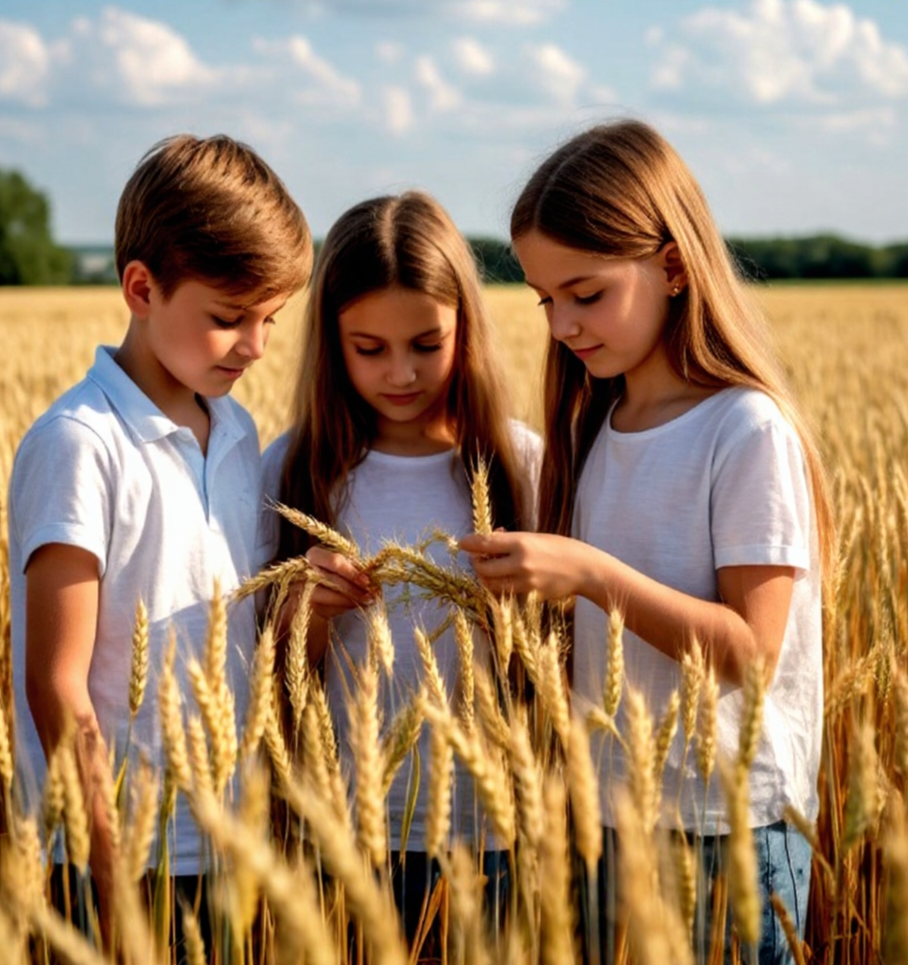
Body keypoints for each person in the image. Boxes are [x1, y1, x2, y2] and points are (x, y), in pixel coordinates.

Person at [459, 119, 834, 964]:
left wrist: (591, 573)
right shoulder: (598, 423)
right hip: (610, 814)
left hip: (726, 828)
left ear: (671, 267)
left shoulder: (744, 431)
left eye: (586, 294)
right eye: (546, 300)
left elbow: (750, 653)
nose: (562, 324)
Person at [8, 133, 313, 951]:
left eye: (269, 319)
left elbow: (236, 621)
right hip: (109, 853)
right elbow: (56, 682)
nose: (255, 345)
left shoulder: (239, 432)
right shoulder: (80, 442)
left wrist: (305, 591)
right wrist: (110, 869)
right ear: (141, 288)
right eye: (228, 318)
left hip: (224, 836)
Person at [260, 191, 541, 953]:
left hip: (494, 830)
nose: (401, 372)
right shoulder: (297, 469)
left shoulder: (521, 464)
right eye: (369, 347)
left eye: (426, 342)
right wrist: (309, 611)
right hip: (342, 829)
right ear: (332, 344)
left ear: (466, 329)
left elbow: (558, 652)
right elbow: (267, 673)